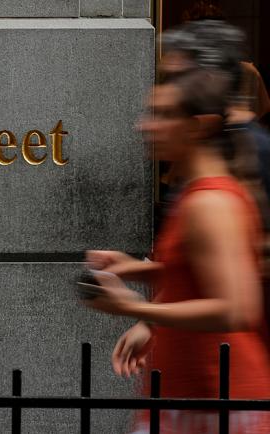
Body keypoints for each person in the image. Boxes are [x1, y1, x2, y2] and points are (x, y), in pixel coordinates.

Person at [84, 69, 270, 433]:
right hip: (192, 400)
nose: (145, 126)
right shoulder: (200, 195)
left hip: (217, 404)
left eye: (162, 115)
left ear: (197, 126)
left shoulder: (209, 203)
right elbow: (197, 270)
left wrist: (132, 308)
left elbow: (236, 308)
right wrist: (136, 269)